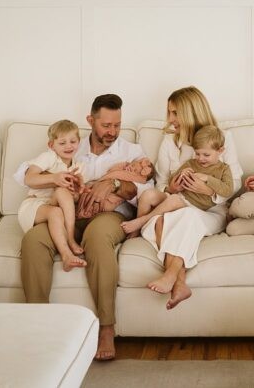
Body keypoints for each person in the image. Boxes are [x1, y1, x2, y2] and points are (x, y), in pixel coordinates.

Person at [18, 94, 152, 361]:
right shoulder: (69, 144)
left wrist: (112, 184)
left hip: (107, 215)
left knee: (98, 238)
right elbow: (26, 176)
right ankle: (38, 324)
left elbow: (143, 189)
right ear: (90, 120)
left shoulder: (132, 151)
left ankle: (106, 327)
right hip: (67, 213)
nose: (112, 132)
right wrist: (59, 180)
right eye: (105, 125)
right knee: (34, 240)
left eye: (117, 125)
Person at [142, 86, 244, 310]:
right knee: (166, 219)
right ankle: (180, 282)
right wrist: (171, 187)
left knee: (186, 217)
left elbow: (235, 183)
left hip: (211, 211)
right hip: (175, 205)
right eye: (169, 112)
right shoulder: (171, 142)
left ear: (192, 112)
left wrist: (208, 190)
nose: (170, 119)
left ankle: (171, 275)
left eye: (175, 113)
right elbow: (160, 182)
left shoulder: (222, 138)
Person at [120, 125, 233, 237]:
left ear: (220, 150)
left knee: (174, 199)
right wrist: (180, 175)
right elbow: (171, 180)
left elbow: (228, 190)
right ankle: (137, 232)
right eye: (197, 153)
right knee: (147, 195)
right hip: (178, 198)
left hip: (193, 207)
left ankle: (142, 222)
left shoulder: (224, 169)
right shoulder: (191, 163)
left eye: (206, 155)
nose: (200, 158)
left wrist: (208, 178)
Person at [17, 119, 86, 270]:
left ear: (79, 142)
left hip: (55, 204)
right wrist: (55, 178)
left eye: (73, 141)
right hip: (35, 205)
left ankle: (69, 246)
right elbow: (29, 178)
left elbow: (72, 200)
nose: (68, 146)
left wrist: (77, 191)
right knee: (56, 210)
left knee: (62, 193)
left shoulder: (77, 166)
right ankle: (67, 250)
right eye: (62, 143)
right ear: (51, 145)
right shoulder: (49, 157)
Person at [78, 158, 154, 218]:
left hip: (111, 202)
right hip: (92, 185)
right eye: (133, 165)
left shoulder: (137, 179)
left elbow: (137, 188)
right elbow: (112, 170)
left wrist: (113, 183)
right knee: (86, 193)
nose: (131, 168)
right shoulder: (124, 167)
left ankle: (87, 211)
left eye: (135, 170)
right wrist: (125, 165)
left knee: (101, 204)